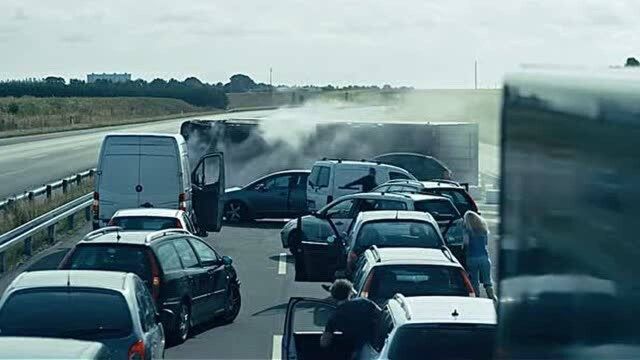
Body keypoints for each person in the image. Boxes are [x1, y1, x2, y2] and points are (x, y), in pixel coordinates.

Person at [320, 279, 381, 359]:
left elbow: (325, 342)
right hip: (377, 346)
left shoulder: (335, 316)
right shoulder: (364, 302)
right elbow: (382, 315)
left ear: (333, 295)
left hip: (358, 352)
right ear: (350, 292)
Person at [463, 211, 497, 301]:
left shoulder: (467, 231)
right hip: (484, 257)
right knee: (487, 280)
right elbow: (485, 243)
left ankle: (476, 297)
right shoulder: (483, 230)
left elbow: (465, 244)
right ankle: (492, 296)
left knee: (474, 281)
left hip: (471, 258)